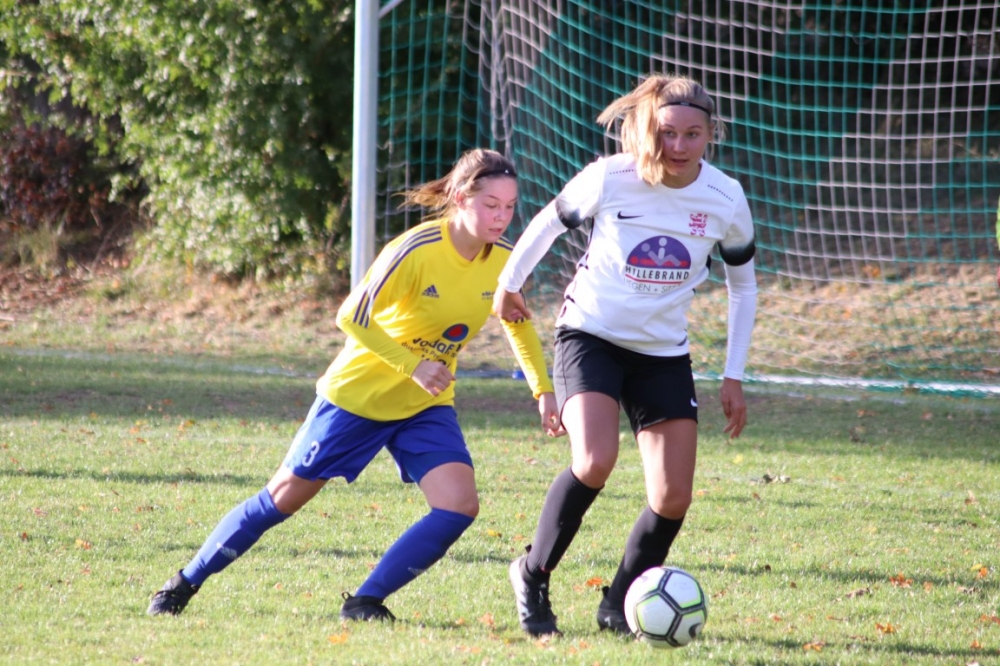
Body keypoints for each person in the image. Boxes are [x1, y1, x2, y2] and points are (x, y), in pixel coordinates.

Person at [147, 148, 561, 620]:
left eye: (509, 207)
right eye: (491, 205)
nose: (502, 217)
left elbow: (515, 321)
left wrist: (542, 390)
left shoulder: (505, 259)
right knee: (281, 499)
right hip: (357, 397)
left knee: (459, 505)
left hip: (423, 405)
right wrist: (413, 365)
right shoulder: (416, 249)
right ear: (462, 198)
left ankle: (365, 601)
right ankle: (183, 583)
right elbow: (351, 315)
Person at [493, 74, 758, 636]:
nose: (678, 146)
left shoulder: (725, 197)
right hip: (589, 335)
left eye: (692, 134)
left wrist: (733, 374)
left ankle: (619, 602)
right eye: (667, 132)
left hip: (662, 353)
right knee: (594, 460)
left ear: (710, 134)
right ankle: (532, 574)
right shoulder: (612, 176)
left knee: (673, 496)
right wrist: (509, 283)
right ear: (647, 128)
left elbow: (744, 286)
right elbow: (549, 221)